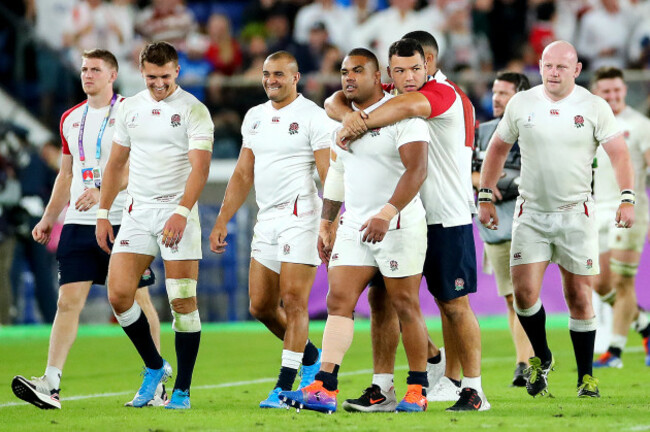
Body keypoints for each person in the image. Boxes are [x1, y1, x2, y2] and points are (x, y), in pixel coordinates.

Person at [329, 36, 488, 411]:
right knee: (383, 301)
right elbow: (334, 100)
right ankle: (385, 386)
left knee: (453, 303)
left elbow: (408, 107)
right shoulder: (392, 90)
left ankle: (473, 388)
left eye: (415, 68)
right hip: (402, 219)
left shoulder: (443, 93)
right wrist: (347, 115)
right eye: (398, 71)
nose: (407, 77)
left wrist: (355, 121)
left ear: (429, 62)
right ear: (389, 71)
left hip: (444, 214)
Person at [478, 41, 635, 399]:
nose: (552, 72)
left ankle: (586, 377)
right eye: (547, 65)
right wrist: (485, 195)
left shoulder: (594, 107)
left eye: (561, 67)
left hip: (575, 214)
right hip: (530, 213)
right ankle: (543, 357)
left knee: (579, 295)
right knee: (523, 295)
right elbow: (498, 149)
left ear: (577, 70)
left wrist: (627, 198)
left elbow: (619, 153)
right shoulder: (523, 103)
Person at [280, 47, 431, 414]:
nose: (348, 77)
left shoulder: (406, 117)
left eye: (357, 71)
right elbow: (338, 175)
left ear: (377, 77)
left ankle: (417, 388)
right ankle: (324, 386)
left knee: (404, 305)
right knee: (338, 300)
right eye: (345, 71)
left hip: (399, 224)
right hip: (355, 224)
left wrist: (387, 212)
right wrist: (327, 223)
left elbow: (417, 171)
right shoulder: (343, 125)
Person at [10, 49, 163, 410]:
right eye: (83, 69)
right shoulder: (70, 118)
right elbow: (66, 174)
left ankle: (155, 378)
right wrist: (48, 218)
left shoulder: (132, 112)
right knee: (67, 302)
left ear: (112, 75)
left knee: (136, 300)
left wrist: (102, 192)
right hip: (78, 225)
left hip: (124, 218)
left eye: (95, 69)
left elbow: (139, 166)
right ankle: (50, 383)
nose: (87, 75)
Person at [208, 51, 332, 408]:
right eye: (266, 74)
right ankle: (309, 355)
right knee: (261, 306)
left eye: (278, 74)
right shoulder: (255, 117)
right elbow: (243, 173)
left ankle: (284, 385)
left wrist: (329, 222)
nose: (270, 80)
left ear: (295, 78)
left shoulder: (313, 117)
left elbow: (327, 175)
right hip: (267, 219)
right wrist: (221, 219)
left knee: (294, 301)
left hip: (301, 216)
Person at [96, 41, 214, 410]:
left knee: (182, 303)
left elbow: (201, 168)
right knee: (118, 295)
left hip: (175, 211)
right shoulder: (129, 108)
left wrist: (182, 210)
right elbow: (115, 164)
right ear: (141, 71)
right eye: (151, 77)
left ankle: (182, 389)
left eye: (164, 76)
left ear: (177, 71)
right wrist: (103, 213)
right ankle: (154, 366)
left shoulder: (194, 110)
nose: (158, 84)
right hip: (136, 211)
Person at [473, 71, 533, 386]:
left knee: (524, 296)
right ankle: (525, 361)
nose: (496, 98)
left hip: (530, 220)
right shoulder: (482, 132)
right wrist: (484, 184)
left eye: (503, 93)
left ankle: (527, 361)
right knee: (512, 298)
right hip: (495, 223)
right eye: (494, 92)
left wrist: (501, 181)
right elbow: (468, 170)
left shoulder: (533, 129)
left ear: (520, 97)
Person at [590, 67, 650, 368]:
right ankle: (646, 326)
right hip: (598, 210)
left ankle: (614, 351)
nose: (612, 96)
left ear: (624, 90)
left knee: (623, 281)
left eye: (617, 90)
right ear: (597, 94)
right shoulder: (591, 126)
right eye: (606, 92)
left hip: (630, 210)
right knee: (598, 283)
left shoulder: (640, 126)